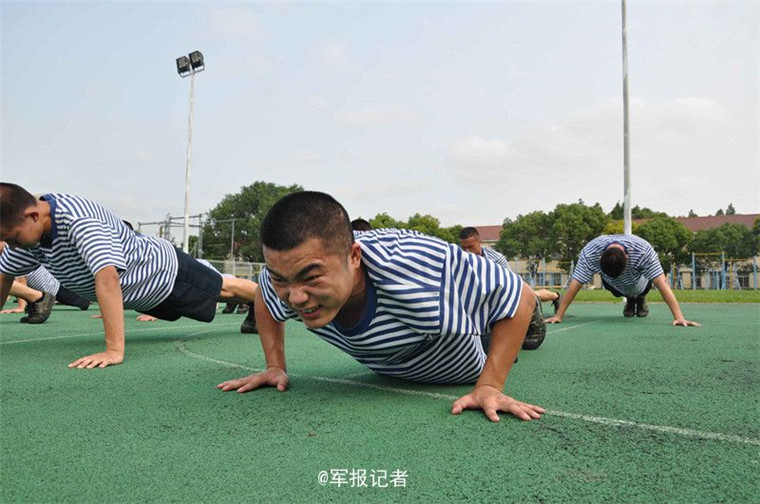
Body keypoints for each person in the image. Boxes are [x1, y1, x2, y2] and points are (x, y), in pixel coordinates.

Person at [218, 191, 545, 422]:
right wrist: (275, 366)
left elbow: (520, 296)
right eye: (281, 279)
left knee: (509, 327)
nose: (296, 298)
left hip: (466, 353)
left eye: (312, 278)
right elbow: (264, 295)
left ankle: (528, 323)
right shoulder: (286, 279)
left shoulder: (417, 265)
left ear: (354, 257)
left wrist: (490, 385)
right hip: (397, 360)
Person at [0, 182, 260, 368]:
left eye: (11, 237)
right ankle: (257, 307)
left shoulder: (79, 221)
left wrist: (113, 351)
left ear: (33, 216)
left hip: (164, 271)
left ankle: (271, 298)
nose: (10, 245)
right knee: (219, 296)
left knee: (225, 290)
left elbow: (107, 278)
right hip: (142, 296)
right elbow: (3, 276)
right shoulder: (27, 237)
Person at [546, 234, 700, 326]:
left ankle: (639, 297)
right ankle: (630, 298)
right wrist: (559, 315)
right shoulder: (590, 253)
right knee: (616, 289)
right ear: (599, 258)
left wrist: (679, 317)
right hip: (612, 285)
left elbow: (662, 284)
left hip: (640, 283)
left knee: (642, 288)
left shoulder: (643, 251)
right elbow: (575, 285)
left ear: (628, 257)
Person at [458, 227, 562, 313]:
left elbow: (510, 283)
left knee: (531, 295)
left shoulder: (496, 259)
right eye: (464, 248)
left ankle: (555, 296)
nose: (467, 252)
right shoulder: (460, 260)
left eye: (471, 247)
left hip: (504, 290)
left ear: (480, 242)